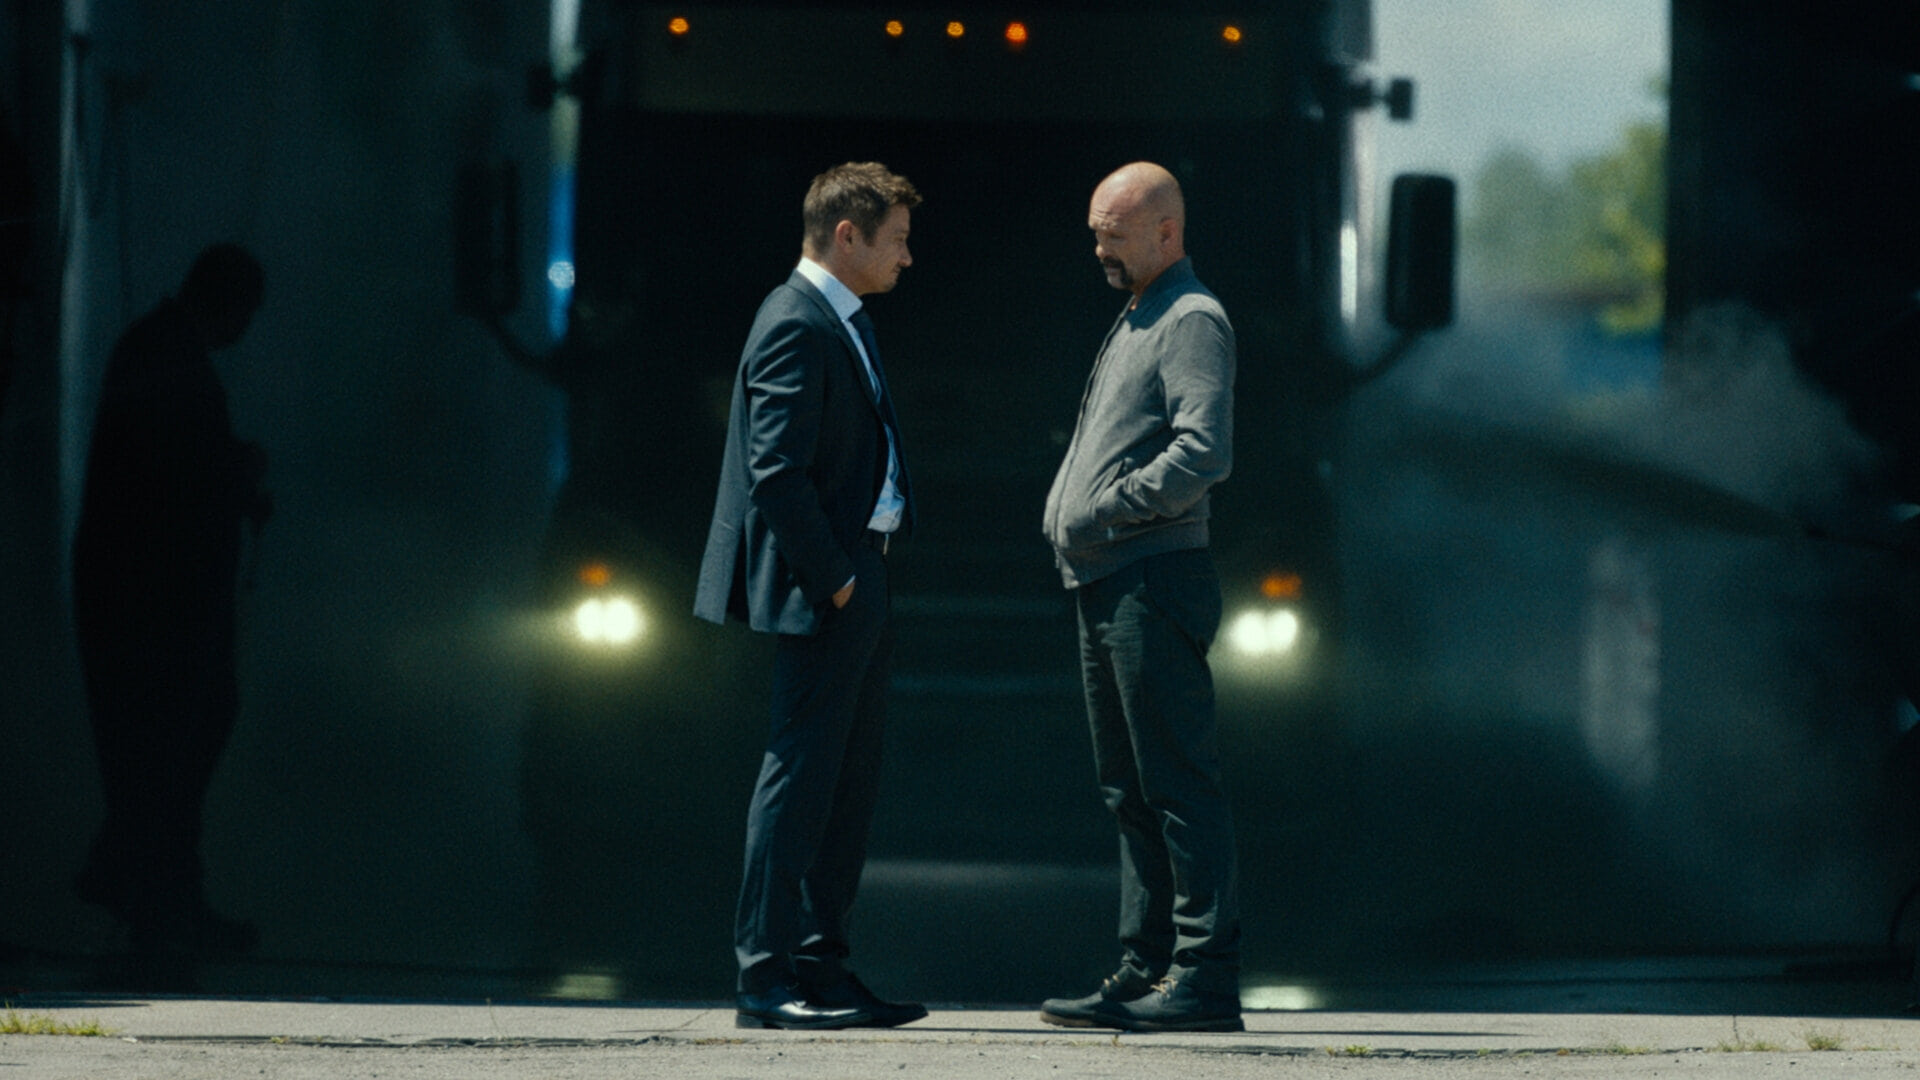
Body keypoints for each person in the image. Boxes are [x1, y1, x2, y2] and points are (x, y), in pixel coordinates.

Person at [693, 162, 926, 1030]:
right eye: (897, 240)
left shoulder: (840, 317)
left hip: (860, 571)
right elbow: (776, 473)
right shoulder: (796, 319)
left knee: (846, 783)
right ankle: (765, 977)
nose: (907, 258)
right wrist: (837, 579)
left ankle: (823, 966)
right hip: (830, 584)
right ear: (847, 235)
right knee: (798, 779)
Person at [1039, 162, 1243, 1032]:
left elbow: (1204, 452)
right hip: (1110, 578)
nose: (1099, 250)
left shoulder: (1190, 318)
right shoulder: (1140, 312)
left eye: (1114, 235)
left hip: (1151, 577)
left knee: (1177, 785)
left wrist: (1107, 509)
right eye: (1095, 234)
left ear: (1166, 231)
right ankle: (1147, 967)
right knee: (1130, 789)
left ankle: (1204, 978)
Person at [71, 243, 269, 955]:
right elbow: (172, 477)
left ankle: (152, 890)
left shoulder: (156, 350)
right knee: (171, 743)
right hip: (154, 598)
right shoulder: (168, 359)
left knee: (167, 744)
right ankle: (152, 892)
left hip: (147, 593)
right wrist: (238, 472)